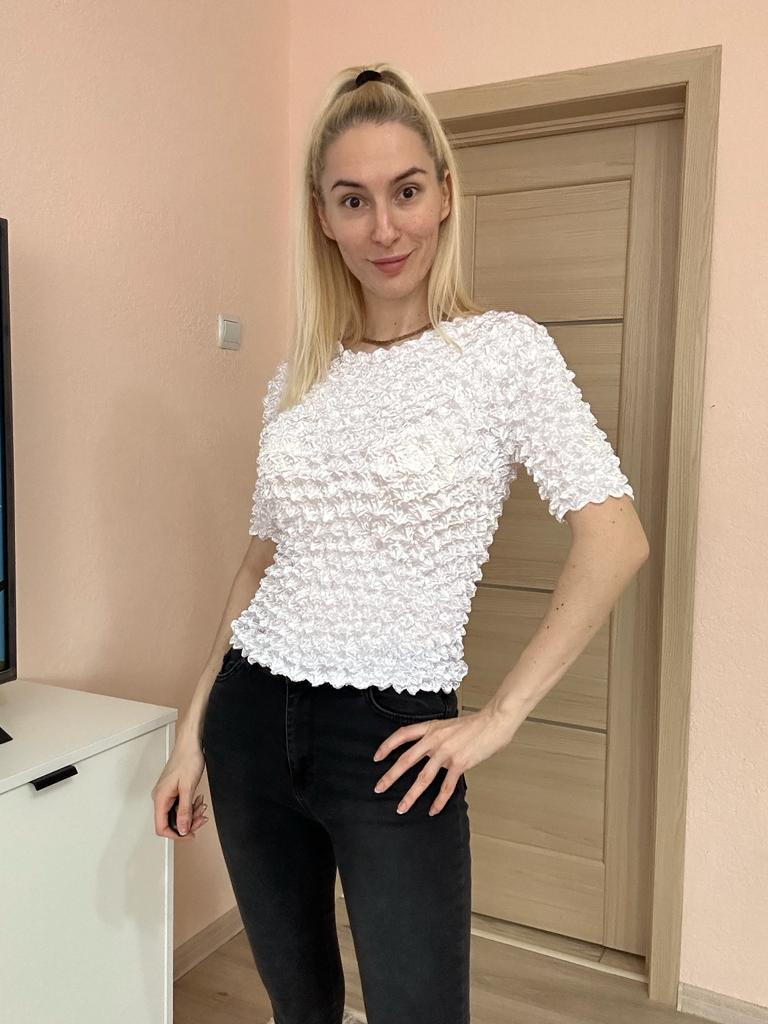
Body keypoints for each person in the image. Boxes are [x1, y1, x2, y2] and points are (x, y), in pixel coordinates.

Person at [152, 63, 649, 1024]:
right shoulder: (298, 380)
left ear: (445, 195)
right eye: (354, 200)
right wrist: (191, 731)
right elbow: (261, 563)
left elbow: (615, 538)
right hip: (249, 720)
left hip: (393, 740)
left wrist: (499, 718)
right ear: (323, 218)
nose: (384, 228)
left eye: (406, 191)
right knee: (298, 1003)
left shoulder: (504, 353)